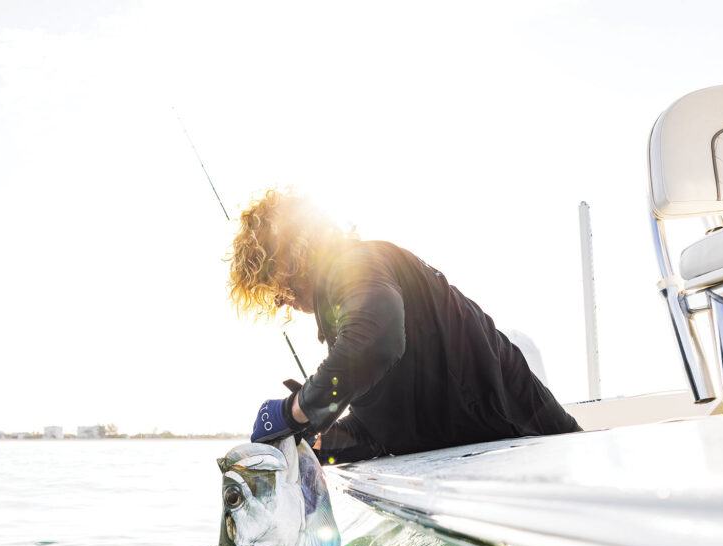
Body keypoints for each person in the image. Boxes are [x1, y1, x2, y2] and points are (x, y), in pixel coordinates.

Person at [229, 188, 581, 464]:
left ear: (290, 256)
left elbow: (376, 342)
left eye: (271, 282)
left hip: (532, 443)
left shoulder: (358, 264)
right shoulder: (346, 306)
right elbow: (382, 428)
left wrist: (295, 408)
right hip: (488, 453)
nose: (277, 299)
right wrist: (317, 442)